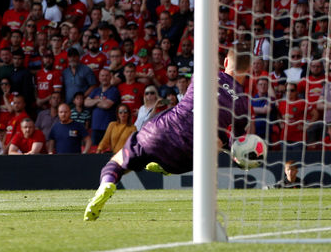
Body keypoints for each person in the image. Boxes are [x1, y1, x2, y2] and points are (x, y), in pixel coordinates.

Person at [85, 50, 251, 221]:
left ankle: (107, 183)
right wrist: (243, 159)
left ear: (225, 63)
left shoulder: (203, 73)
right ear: (249, 70)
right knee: (216, 138)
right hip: (190, 155)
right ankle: (163, 165)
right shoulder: (243, 104)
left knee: (118, 161)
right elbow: (237, 145)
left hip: (161, 132)